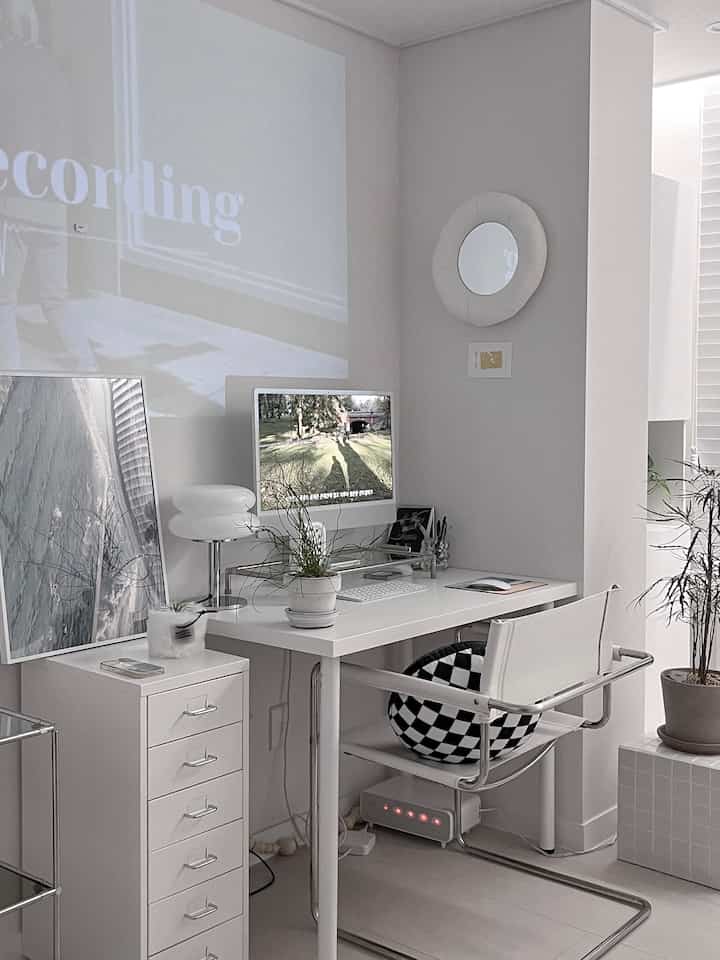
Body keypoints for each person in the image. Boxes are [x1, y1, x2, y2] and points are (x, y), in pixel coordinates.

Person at [0, 0, 92, 368]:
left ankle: (8, 385)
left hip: (15, 199)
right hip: (55, 200)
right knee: (56, 299)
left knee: (4, 301)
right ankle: (90, 369)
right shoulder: (54, 69)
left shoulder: (6, 63)